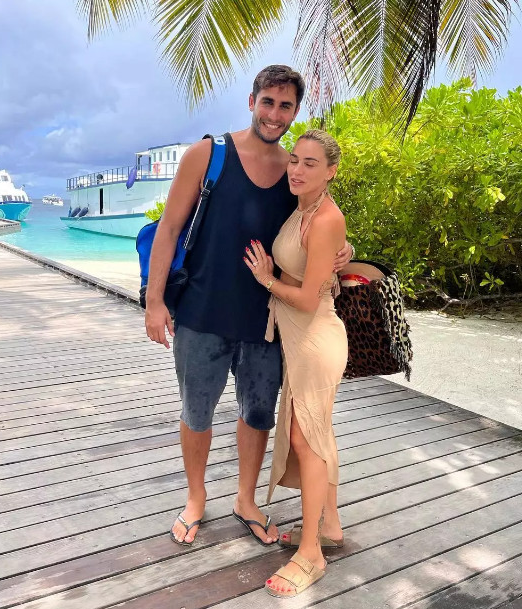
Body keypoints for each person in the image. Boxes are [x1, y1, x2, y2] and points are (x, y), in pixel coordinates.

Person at [145, 66, 353, 548]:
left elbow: (316, 227)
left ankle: (245, 499)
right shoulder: (209, 154)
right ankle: (196, 499)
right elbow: (168, 229)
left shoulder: (294, 170)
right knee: (197, 411)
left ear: (295, 112)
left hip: (267, 320)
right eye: (268, 102)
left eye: (286, 106)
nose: (275, 114)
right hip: (201, 313)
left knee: (257, 413)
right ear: (251, 101)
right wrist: (154, 301)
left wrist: (344, 250)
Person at [243, 130, 348, 597]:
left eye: (310, 163)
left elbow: (307, 299)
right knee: (318, 432)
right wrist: (342, 254)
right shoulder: (303, 207)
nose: (297, 170)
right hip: (300, 341)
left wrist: (266, 279)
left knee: (306, 438)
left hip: (315, 340)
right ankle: (330, 525)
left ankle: (311, 554)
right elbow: (322, 262)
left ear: (331, 172)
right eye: (294, 160)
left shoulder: (324, 218)